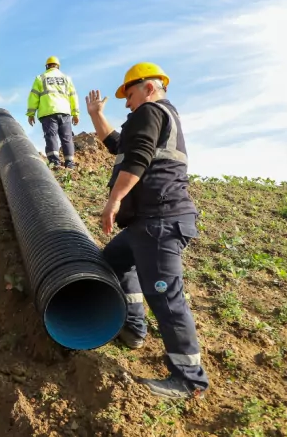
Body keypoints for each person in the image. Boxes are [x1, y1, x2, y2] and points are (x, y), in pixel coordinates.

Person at [85, 62, 209, 399]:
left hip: (160, 221)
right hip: (147, 223)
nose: (126, 102)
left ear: (149, 88)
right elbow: (118, 145)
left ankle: (189, 379)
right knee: (113, 261)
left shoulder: (150, 111)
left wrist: (113, 202)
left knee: (165, 297)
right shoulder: (157, 117)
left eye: (129, 94)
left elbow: (137, 158)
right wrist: (96, 115)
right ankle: (134, 328)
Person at [26, 56, 80, 168]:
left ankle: (54, 162)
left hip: (48, 111)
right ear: (58, 66)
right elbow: (73, 96)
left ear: (47, 66)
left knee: (51, 136)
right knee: (67, 137)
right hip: (64, 111)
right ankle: (70, 163)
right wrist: (75, 114)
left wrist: (31, 114)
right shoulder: (66, 78)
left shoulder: (40, 78)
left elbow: (33, 97)